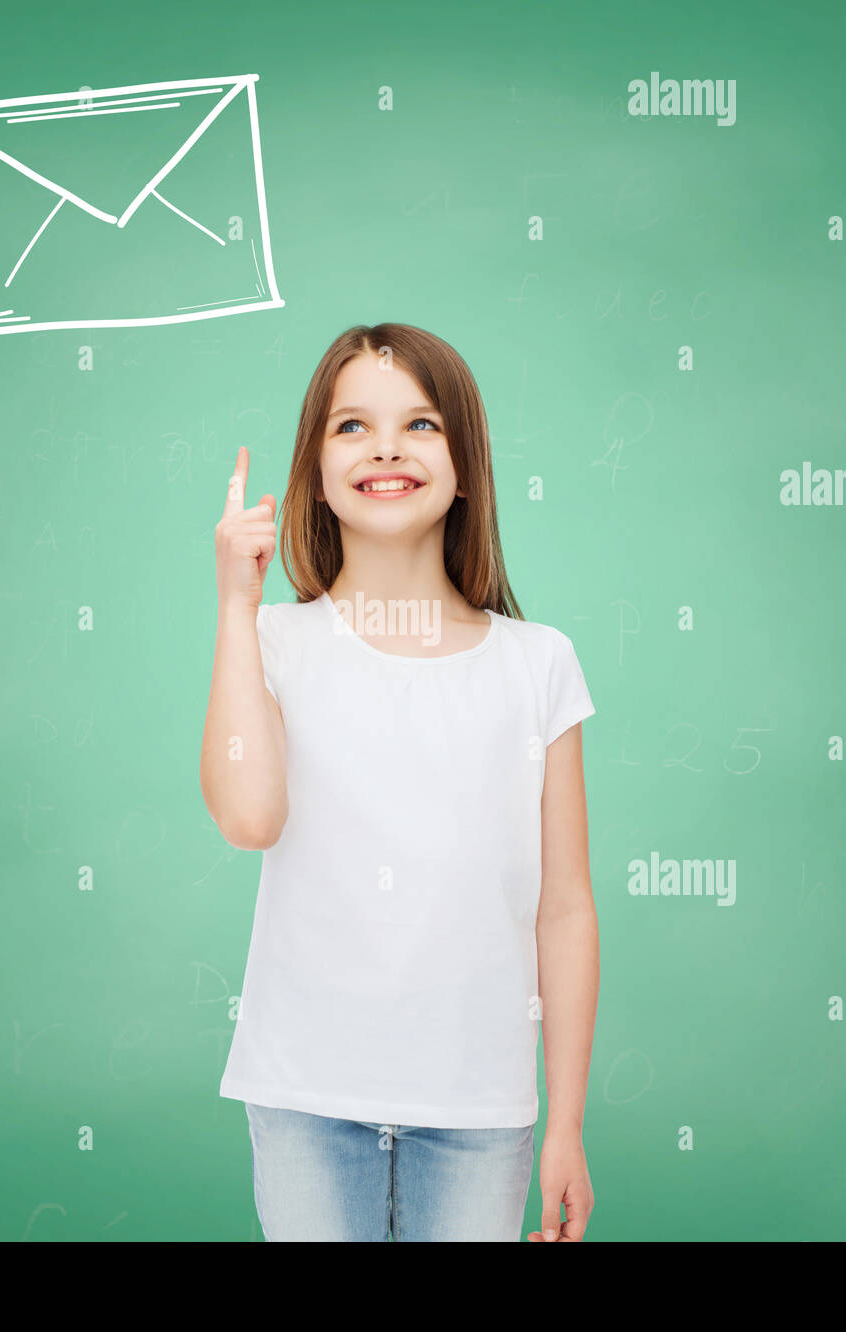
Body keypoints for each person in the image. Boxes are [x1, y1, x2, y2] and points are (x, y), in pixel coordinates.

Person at [201, 322, 598, 1242]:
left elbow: (565, 909)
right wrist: (233, 603)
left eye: (421, 424)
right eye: (352, 427)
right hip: (304, 1097)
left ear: (466, 464)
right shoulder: (272, 644)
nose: (385, 447)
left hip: (479, 1110)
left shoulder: (537, 665)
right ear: (314, 466)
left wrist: (566, 1124)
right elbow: (251, 816)